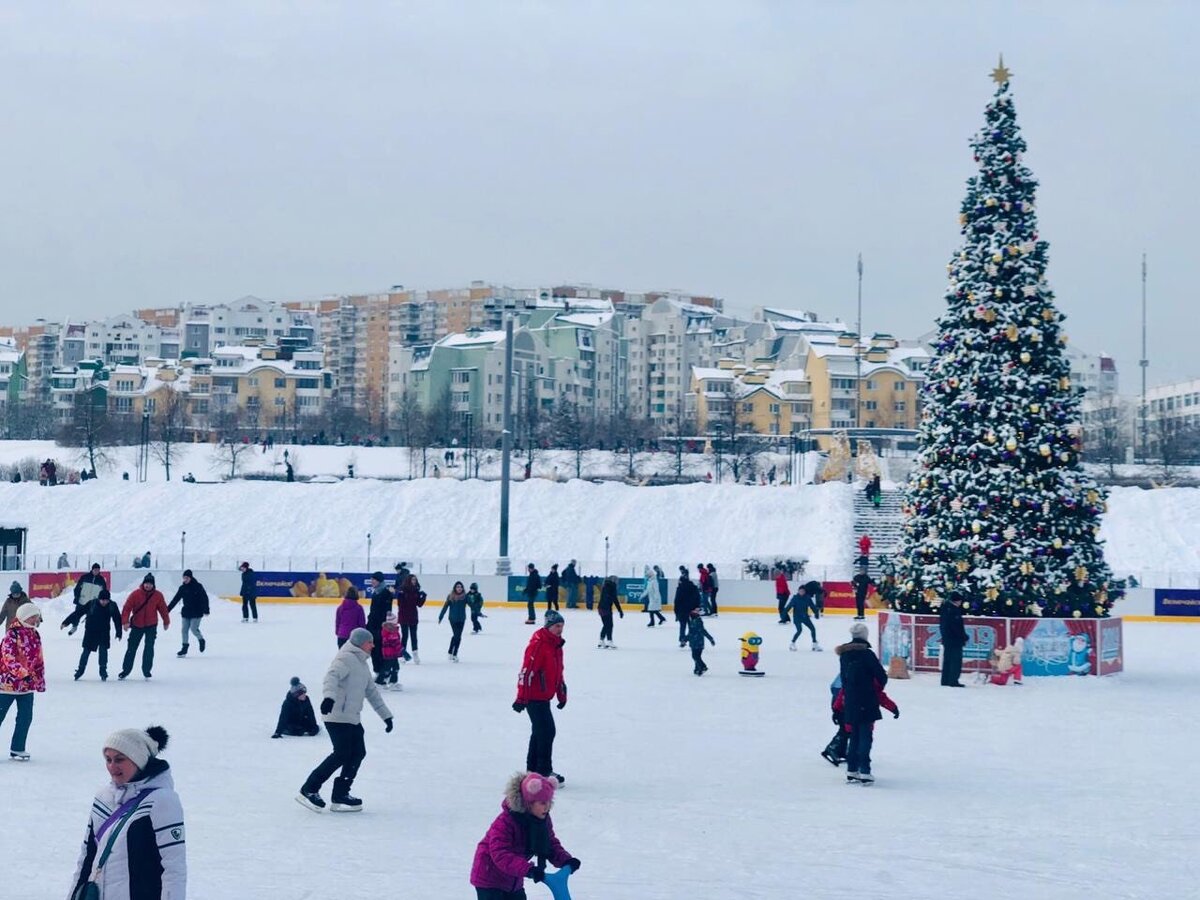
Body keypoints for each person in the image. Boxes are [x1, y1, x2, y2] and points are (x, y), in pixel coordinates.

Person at [69, 725, 186, 898]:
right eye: (108, 759)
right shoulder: (103, 797)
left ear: (138, 759)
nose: (112, 766)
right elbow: (87, 857)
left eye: (120, 759)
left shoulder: (162, 801)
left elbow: (174, 868)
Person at [297, 627, 394, 812]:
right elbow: (330, 678)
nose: (373, 645)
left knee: (358, 753)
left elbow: (372, 692)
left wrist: (386, 716)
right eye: (370, 642)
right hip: (336, 715)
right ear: (360, 643)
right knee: (341, 753)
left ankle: (341, 793)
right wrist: (329, 698)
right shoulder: (346, 658)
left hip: (352, 717)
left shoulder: (362, 663)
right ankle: (309, 789)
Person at [470, 771, 580, 899]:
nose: (547, 807)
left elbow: (549, 844)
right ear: (528, 803)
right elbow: (501, 854)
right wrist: (528, 869)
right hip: (489, 879)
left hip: (513, 880)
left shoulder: (542, 820)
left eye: (549, 802)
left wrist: (566, 860)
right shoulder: (505, 822)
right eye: (542, 803)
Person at [512, 610, 567, 782]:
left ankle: (533, 770)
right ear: (548, 626)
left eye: (562, 626)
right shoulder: (539, 644)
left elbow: (558, 672)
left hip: (545, 697)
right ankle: (543, 771)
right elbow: (526, 672)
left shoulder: (555, 645)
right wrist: (521, 698)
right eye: (557, 626)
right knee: (547, 731)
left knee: (539, 732)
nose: (560, 630)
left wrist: (561, 694)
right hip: (533, 697)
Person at [836, 621, 889, 784]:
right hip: (867, 698)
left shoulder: (844, 655)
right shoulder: (867, 654)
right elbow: (881, 676)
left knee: (854, 735)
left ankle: (852, 769)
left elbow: (843, 678)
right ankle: (865, 770)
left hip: (851, 698)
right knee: (866, 735)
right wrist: (875, 688)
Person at [0, 603, 44, 760]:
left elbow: (38, 659)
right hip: (7, 684)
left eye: (36, 617)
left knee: (25, 717)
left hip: (26, 685)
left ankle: (17, 748)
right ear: (25, 617)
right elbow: (8, 658)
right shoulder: (11, 635)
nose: (35, 620)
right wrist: (22, 673)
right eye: (32, 617)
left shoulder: (35, 634)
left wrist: (39, 679)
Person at [118, 574, 170, 680]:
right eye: (146, 583)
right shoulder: (135, 594)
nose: (148, 586)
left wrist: (166, 621)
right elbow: (127, 608)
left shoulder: (158, 595)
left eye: (150, 584)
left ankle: (146, 670)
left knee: (149, 648)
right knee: (131, 648)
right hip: (137, 625)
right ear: (143, 583)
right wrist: (125, 622)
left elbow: (163, 609)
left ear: (153, 585)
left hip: (151, 625)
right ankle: (126, 670)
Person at [74, 589, 122, 681]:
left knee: (103, 652)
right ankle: (80, 670)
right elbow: (78, 613)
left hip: (104, 632)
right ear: (99, 599)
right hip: (90, 632)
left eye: (106, 600)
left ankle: (103, 671)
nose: (104, 602)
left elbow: (117, 619)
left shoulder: (112, 605)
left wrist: (119, 632)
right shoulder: (92, 604)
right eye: (102, 600)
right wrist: (67, 622)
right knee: (86, 652)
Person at [167, 569, 210, 657]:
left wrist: (206, 610)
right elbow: (175, 599)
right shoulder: (182, 588)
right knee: (184, 630)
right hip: (186, 612)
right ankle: (184, 648)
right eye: (184, 578)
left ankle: (201, 640)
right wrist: (168, 609)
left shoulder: (198, 586)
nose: (185, 580)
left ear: (190, 578)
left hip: (197, 612)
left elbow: (204, 598)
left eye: (186, 578)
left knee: (194, 629)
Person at [61, 562, 108, 635]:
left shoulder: (101, 580)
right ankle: (74, 626)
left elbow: (104, 592)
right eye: (95, 570)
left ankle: (91, 631)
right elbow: (77, 588)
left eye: (98, 570)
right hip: (82, 601)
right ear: (92, 570)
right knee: (76, 615)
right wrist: (77, 597)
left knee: (93, 618)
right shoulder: (85, 577)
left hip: (93, 603)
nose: (96, 571)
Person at [938, 591, 968, 688]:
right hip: (955, 640)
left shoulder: (945, 608)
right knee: (955, 660)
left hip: (947, 639)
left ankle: (945, 679)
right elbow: (956, 627)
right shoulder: (954, 611)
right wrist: (964, 636)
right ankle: (953, 680)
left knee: (947, 659)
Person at [365, 575, 393, 672]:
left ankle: (383, 672)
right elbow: (373, 611)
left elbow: (387, 612)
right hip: (372, 626)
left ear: (379, 581)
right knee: (373, 650)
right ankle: (377, 671)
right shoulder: (376, 592)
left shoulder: (386, 593)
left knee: (380, 650)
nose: (372, 581)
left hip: (381, 627)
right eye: (371, 579)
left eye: (374, 579)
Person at [397, 573, 426, 664]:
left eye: (415, 580)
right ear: (408, 581)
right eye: (412, 580)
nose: (414, 581)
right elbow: (400, 604)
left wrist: (423, 597)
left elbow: (419, 604)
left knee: (414, 636)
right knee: (405, 635)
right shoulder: (402, 591)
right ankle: (402, 654)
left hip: (413, 615)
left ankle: (415, 653)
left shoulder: (416, 591)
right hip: (404, 615)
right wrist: (402, 596)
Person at [439, 580, 469, 661]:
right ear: (455, 588)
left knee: (457, 636)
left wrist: (477, 612)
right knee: (457, 636)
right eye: (458, 587)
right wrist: (441, 616)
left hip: (462, 619)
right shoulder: (450, 596)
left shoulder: (465, 597)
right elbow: (445, 607)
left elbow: (472, 605)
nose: (459, 588)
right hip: (453, 619)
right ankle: (454, 653)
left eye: (461, 587)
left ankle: (452, 652)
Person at [785, 586, 821, 651]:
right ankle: (792, 643)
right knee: (799, 630)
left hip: (805, 617)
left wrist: (816, 613)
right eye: (800, 591)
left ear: (805, 592)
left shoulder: (807, 598)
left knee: (813, 629)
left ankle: (814, 644)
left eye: (803, 591)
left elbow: (812, 606)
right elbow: (789, 606)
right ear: (798, 591)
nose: (801, 592)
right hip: (797, 617)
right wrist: (784, 613)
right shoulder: (795, 598)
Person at [674, 566, 700, 648]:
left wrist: (676, 612)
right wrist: (697, 607)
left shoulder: (680, 589)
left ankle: (682, 639)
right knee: (692, 626)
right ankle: (690, 639)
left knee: (682, 626)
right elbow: (698, 598)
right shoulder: (693, 587)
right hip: (692, 610)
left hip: (682, 610)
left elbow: (676, 601)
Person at [596, 575, 624, 649]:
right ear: (614, 580)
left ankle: (601, 640)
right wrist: (620, 610)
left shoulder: (605, 585)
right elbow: (615, 600)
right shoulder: (612, 586)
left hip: (600, 608)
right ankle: (609, 641)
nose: (618, 582)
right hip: (606, 608)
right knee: (610, 625)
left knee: (606, 625)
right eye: (617, 580)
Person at [686, 608, 715, 676]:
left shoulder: (697, 621)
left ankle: (703, 667)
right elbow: (690, 632)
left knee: (695, 656)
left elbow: (702, 631)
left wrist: (711, 639)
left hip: (697, 642)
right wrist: (686, 639)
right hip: (695, 642)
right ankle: (697, 669)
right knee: (697, 656)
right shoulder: (693, 621)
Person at [379, 613, 403, 689]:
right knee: (387, 668)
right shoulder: (390, 632)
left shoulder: (392, 630)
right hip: (389, 654)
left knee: (395, 667)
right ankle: (380, 681)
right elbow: (395, 643)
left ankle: (392, 682)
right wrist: (401, 651)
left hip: (392, 654)